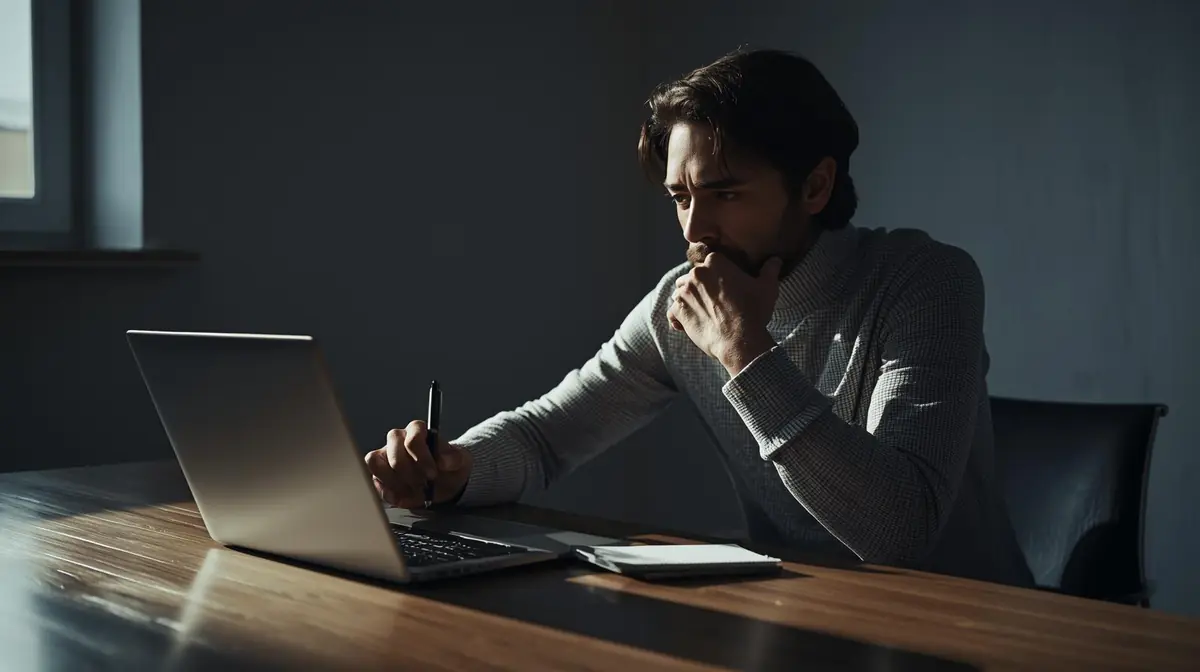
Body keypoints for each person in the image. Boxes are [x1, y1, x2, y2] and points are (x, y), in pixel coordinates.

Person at [365, 48, 1034, 587]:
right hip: (808, 617)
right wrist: (455, 470)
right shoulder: (680, 304)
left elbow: (900, 530)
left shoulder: (925, 281)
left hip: (974, 626)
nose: (695, 229)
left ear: (815, 186)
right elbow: (545, 438)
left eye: (725, 194)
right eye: (680, 196)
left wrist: (744, 352)